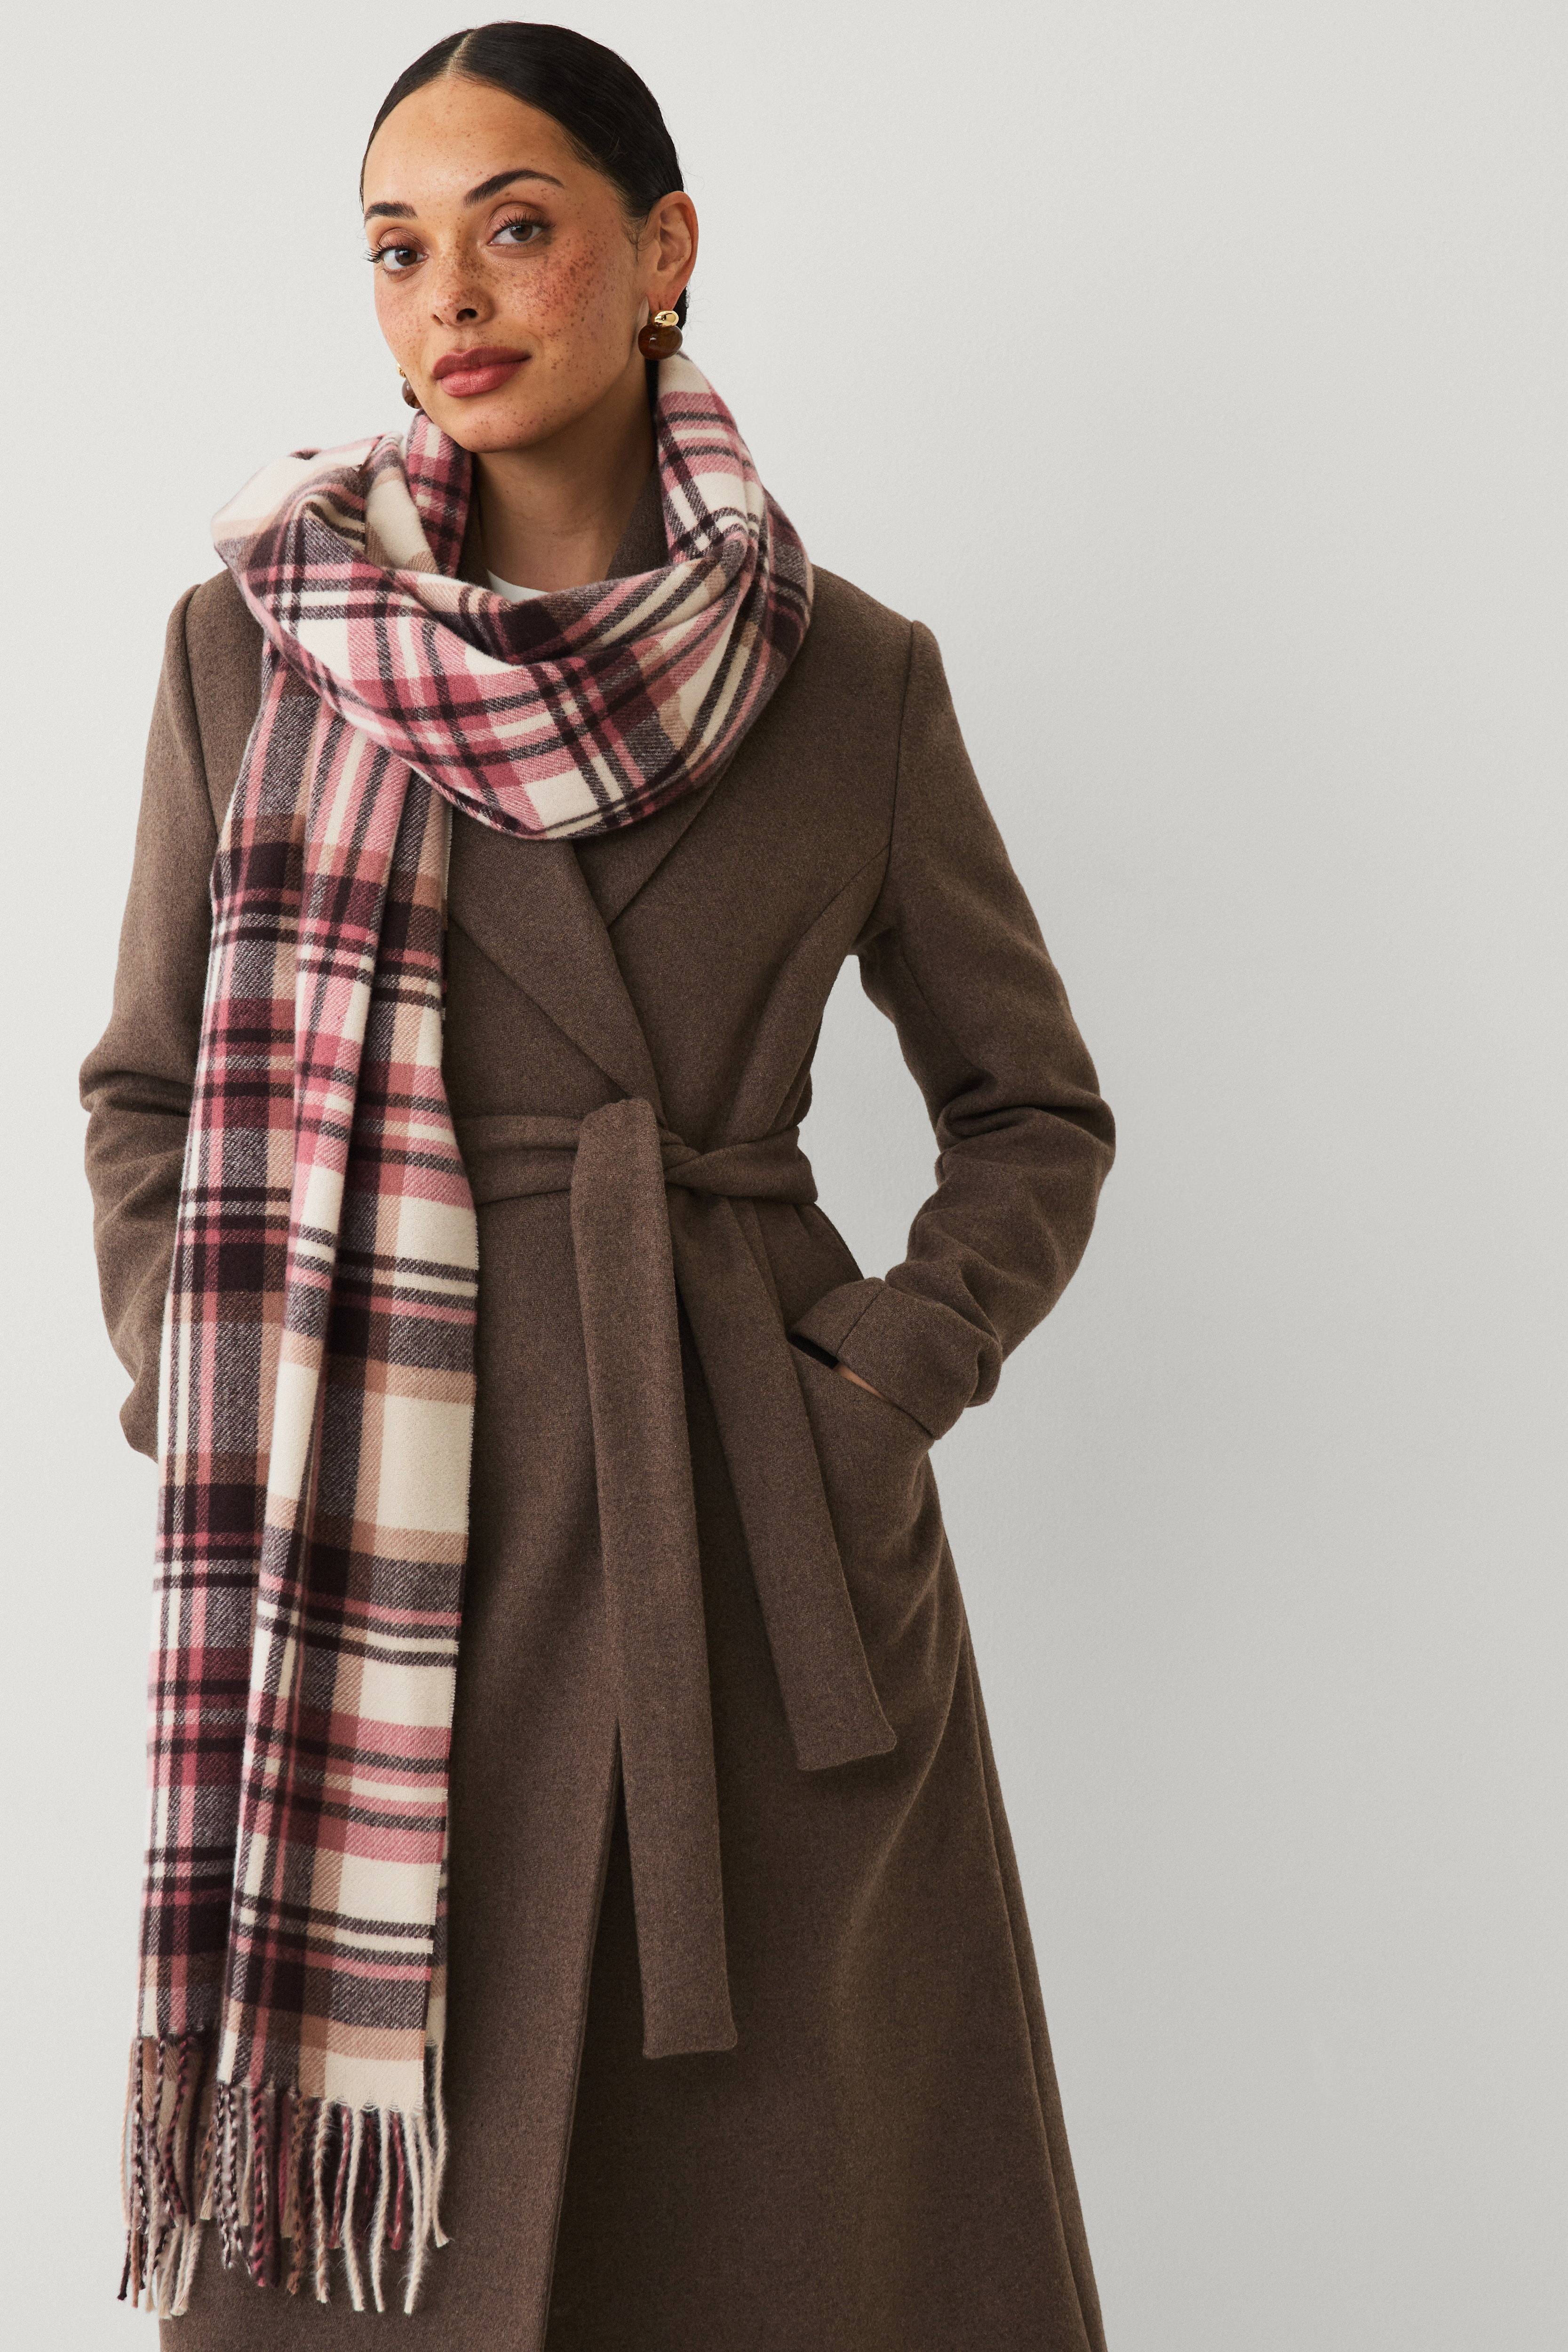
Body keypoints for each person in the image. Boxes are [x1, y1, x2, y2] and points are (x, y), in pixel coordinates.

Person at [80, 22, 1117, 2351]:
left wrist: (865, 1396)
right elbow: (144, 1092)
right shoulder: (255, 653)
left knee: (803, 2237)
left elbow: (1031, 1109)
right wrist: (215, 1381)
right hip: (373, 1537)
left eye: (517, 226)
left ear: (662, 253)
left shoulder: (848, 678)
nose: (449, 295)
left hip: (743, 1548)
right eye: (396, 248)